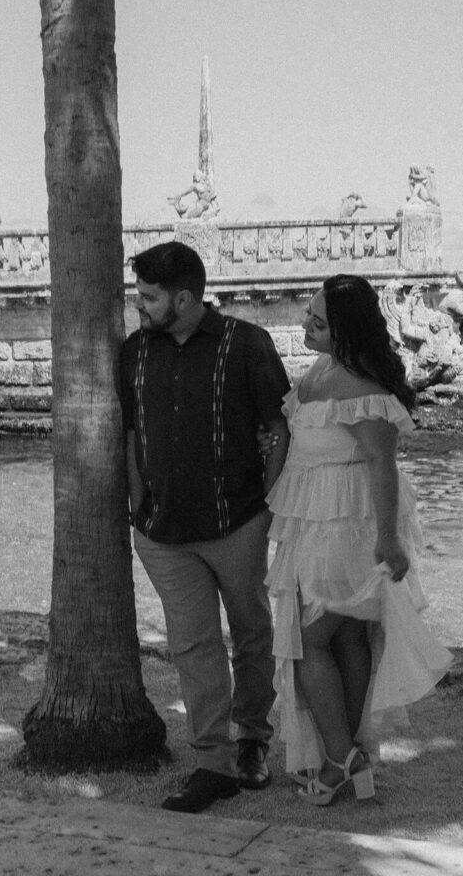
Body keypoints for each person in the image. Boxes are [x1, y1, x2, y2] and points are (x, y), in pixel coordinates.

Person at [264, 274, 453, 806]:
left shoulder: (366, 387)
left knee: (309, 643)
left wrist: (389, 541)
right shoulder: (322, 369)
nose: (306, 325)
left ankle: (341, 758)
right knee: (344, 640)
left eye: (318, 321)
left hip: (349, 523)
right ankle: (349, 759)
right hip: (314, 518)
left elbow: (382, 465)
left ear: (345, 329)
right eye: (308, 314)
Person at [119, 241, 290, 814]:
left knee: (250, 633)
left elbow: (278, 427)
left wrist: (266, 500)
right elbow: (131, 433)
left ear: (185, 298)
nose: (139, 306)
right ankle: (212, 764)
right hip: (163, 534)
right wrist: (138, 503)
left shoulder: (248, 345)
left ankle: (253, 742)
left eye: (148, 297)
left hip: (237, 522)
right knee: (192, 646)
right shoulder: (134, 352)